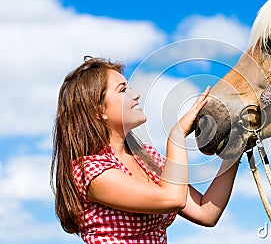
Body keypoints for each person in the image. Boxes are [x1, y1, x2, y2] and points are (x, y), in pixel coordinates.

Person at [50, 57, 241, 244]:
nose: (135, 95)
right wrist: (176, 137)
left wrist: (235, 148)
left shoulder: (148, 158)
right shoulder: (90, 170)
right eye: (122, 90)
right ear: (99, 110)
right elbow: (172, 199)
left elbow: (205, 212)